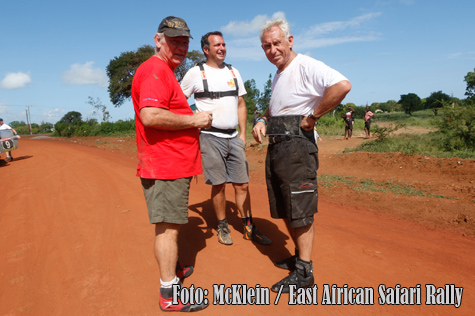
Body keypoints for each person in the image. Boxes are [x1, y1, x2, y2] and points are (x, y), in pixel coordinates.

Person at [252, 18, 351, 293]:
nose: (272, 50)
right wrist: (261, 119)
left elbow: (342, 85)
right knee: (286, 206)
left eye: (276, 43)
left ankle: (305, 274)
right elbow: (275, 110)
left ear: (290, 40)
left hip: (297, 146)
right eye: (266, 46)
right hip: (278, 146)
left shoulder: (305, 65)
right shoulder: (279, 74)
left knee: (300, 209)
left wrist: (313, 116)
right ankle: (299, 259)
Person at [131, 16, 212, 312]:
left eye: (184, 41)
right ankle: (169, 295)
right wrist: (194, 119)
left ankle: (173, 273)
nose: (180, 46)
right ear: (158, 39)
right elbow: (151, 115)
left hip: (171, 165)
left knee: (171, 224)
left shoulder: (164, 71)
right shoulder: (154, 70)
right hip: (164, 166)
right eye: (173, 40)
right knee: (167, 229)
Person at [181, 31, 271, 246]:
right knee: (219, 185)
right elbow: (177, 98)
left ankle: (248, 226)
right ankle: (222, 225)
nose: (222, 48)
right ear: (206, 50)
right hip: (210, 137)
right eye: (217, 45)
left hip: (233, 137)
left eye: (223, 44)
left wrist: (242, 134)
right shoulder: (195, 73)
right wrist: (192, 118)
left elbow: (241, 104)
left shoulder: (233, 71)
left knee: (242, 185)